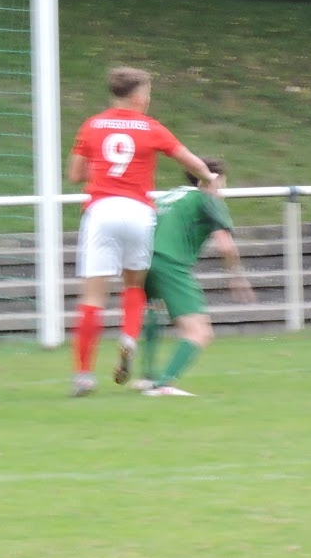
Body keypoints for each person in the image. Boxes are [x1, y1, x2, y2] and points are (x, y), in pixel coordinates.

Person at [67, 66, 219, 397]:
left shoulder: (92, 125)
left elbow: (75, 175)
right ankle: (128, 338)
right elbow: (190, 161)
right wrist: (209, 178)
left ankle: (83, 375)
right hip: (138, 213)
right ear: (137, 96)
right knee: (134, 285)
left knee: (92, 297)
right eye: (148, 93)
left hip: (101, 211)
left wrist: (103, 169)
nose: (149, 99)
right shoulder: (150, 127)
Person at [134, 158, 255, 397]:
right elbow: (226, 246)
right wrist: (236, 277)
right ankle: (163, 385)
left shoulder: (170, 195)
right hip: (170, 263)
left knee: (154, 310)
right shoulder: (208, 198)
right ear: (214, 179)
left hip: (142, 260)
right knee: (199, 332)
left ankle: (147, 377)